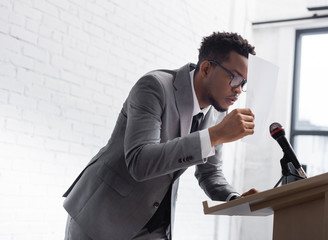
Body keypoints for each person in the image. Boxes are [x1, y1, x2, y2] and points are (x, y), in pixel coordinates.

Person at [63, 31, 258, 240]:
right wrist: (214, 135)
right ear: (206, 68)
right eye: (235, 78)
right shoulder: (154, 87)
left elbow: (209, 173)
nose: (239, 90)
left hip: (154, 225)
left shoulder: (219, 112)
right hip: (102, 216)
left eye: (244, 83)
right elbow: (140, 162)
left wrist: (233, 198)